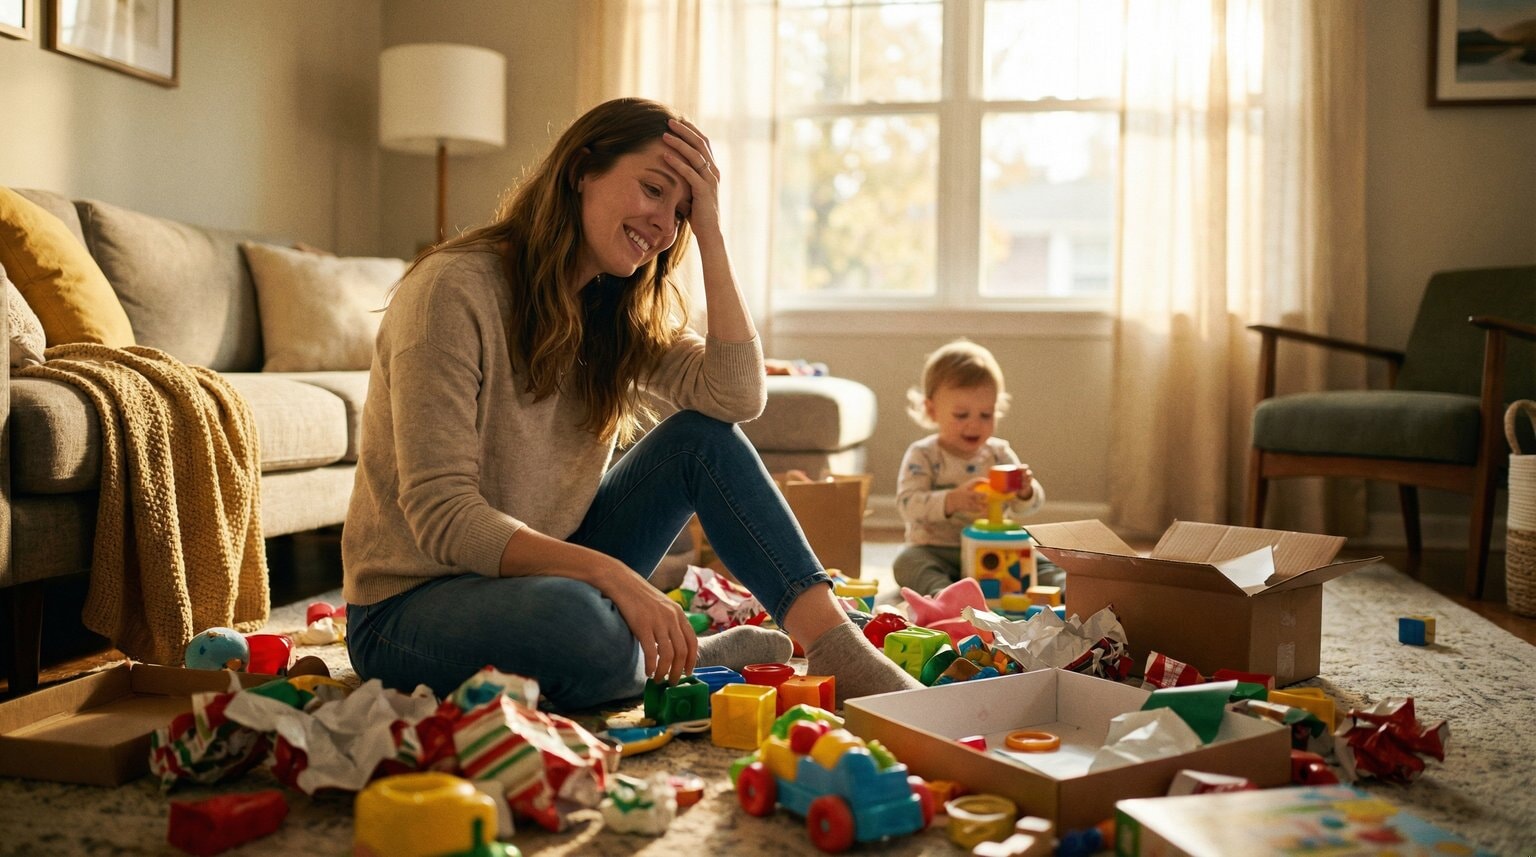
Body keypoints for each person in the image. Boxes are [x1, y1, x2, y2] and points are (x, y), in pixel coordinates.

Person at [341, 97, 920, 711]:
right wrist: (612, 575)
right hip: (410, 608)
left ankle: (837, 648)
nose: (664, 227)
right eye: (653, 190)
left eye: (681, 213)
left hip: (549, 577)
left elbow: (736, 398)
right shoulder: (450, 291)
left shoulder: (613, 310)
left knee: (702, 439)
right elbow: (443, 515)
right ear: (582, 170)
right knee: (580, 629)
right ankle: (677, 656)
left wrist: (713, 233)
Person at [893, 339, 1055, 597]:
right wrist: (952, 500)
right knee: (907, 562)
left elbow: (1030, 507)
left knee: (1043, 559)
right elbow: (907, 504)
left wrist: (1025, 492)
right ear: (932, 410)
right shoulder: (922, 455)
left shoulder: (999, 454)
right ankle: (944, 594)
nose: (975, 425)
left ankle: (1066, 588)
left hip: (995, 549)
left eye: (986, 415)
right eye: (961, 415)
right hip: (939, 550)